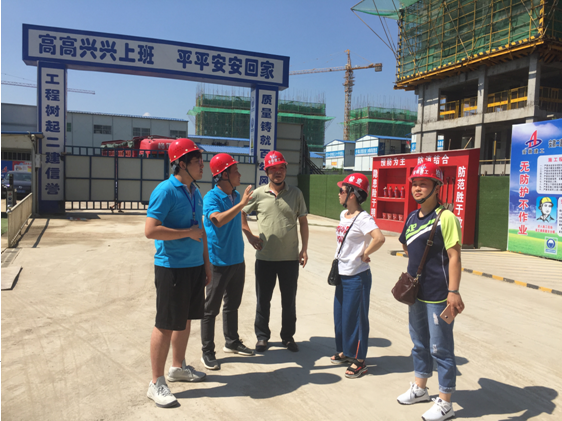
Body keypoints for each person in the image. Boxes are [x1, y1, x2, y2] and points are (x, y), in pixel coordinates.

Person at [144, 138, 211, 408]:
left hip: (194, 266)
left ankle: (177, 367)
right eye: (197, 161)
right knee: (166, 323)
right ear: (181, 163)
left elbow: (201, 231)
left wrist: (206, 264)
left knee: (184, 319)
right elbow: (150, 230)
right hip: (171, 267)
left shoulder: (196, 192)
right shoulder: (166, 191)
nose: (202, 165)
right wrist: (186, 233)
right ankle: (156, 382)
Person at [397, 161, 465, 421]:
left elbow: (454, 256)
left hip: (439, 295)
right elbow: (406, 245)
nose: (417, 188)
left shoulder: (446, 217)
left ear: (437, 187)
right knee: (419, 344)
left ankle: (446, 402)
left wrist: (453, 291)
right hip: (416, 294)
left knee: (441, 349)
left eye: (423, 184)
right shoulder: (412, 218)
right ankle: (420, 388)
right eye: (414, 184)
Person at [241, 150, 309, 353]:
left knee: (289, 301)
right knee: (263, 300)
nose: (278, 172)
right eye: (273, 169)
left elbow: (303, 222)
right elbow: (241, 212)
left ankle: (288, 337)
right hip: (265, 258)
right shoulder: (258, 194)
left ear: (286, 169)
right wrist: (249, 235)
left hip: (289, 259)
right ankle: (262, 337)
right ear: (267, 172)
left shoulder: (296, 193)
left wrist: (304, 249)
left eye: (281, 168)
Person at [200, 153, 255, 370]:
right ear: (223, 175)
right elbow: (218, 221)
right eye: (235, 171)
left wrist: (249, 235)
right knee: (210, 309)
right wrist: (241, 204)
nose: (239, 174)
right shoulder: (211, 198)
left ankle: (231, 342)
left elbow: (239, 217)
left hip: (236, 259)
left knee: (232, 304)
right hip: (218, 261)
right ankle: (207, 351)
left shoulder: (235, 195)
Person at [330, 173, 385, 378]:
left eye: (342, 190)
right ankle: (346, 352)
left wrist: (365, 253)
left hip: (357, 276)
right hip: (341, 273)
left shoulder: (364, 218)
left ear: (352, 194)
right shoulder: (343, 215)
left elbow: (379, 238)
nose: (339, 194)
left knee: (357, 319)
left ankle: (360, 360)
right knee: (341, 316)